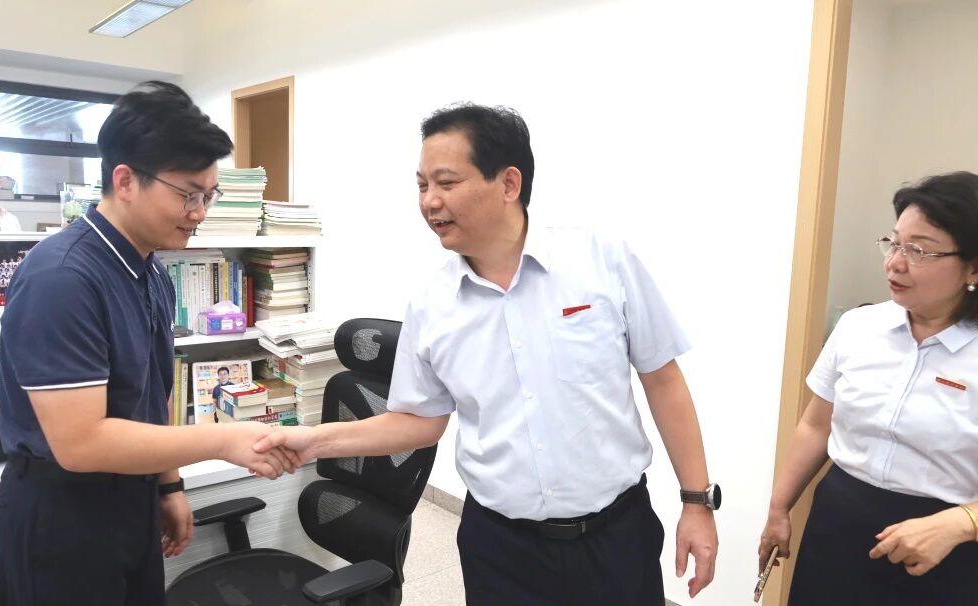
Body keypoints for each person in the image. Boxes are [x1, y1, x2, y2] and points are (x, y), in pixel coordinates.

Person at [256, 103, 720, 605]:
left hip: (616, 537)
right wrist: (314, 442)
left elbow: (662, 379)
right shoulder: (432, 304)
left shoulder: (601, 261)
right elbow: (417, 421)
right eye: (421, 185)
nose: (430, 202)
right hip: (500, 548)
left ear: (509, 183)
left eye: (446, 182)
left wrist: (697, 502)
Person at [0, 81, 301, 606]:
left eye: (209, 196)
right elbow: (81, 442)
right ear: (125, 180)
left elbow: (150, 398)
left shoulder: (149, 270)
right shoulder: (62, 278)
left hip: (129, 499)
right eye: (187, 194)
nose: (199, 212)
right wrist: (223, 440)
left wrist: (168, 485)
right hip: (61, 518)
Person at [758, 171, 978, 605]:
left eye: (920, 251)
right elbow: (817, 425)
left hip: (943, 546)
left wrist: (960, 523)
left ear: (973, 267)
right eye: (894, 243)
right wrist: (779, 509)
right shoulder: (859, 326)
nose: (895, 263)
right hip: (838, 524)